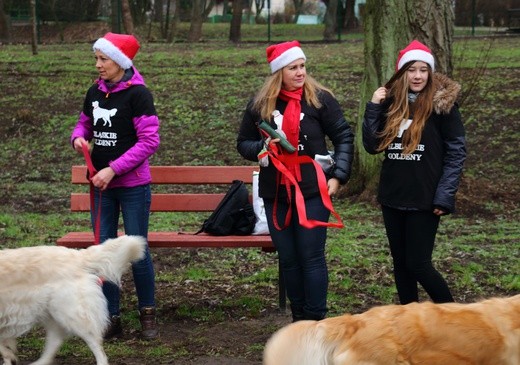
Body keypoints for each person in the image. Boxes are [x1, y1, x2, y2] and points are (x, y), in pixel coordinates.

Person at [237, 41, 354, 321]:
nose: (300, 72)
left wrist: (338, 176)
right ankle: (299, 321)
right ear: (279, 72)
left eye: (302, 66)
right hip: (276, 193)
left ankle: (315, 322)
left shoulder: (320, 99)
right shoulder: (260, 105)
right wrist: (261, 150)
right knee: (289, 259)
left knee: (311, 257)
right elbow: (243, 143)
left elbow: (343, 137)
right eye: (293, 68)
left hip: (312, 192)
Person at [362, 40, 466, 304]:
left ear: (430, 73)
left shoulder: (443, 107)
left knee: (418, 263)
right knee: (400, 263)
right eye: (411, 70)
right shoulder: (391, 103)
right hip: (393, 195)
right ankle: (410, 320)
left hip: (426, 199)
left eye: (423, 70)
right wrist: (374, 106)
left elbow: (456, 153)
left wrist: (444, 196)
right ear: (402, 73)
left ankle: (454, 318)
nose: (417, 75)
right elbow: (372, 145)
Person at [70, 32, 160, 340]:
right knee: (103, 252)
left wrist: (113, 169)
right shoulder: (95, 92)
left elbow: (150, 141)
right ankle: (110, 317)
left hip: (132, 186)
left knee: (137, 250)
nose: (97, 65)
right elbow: (84, 122)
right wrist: (78, 137)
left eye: (103, 59)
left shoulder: (138, 95)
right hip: (100, 186)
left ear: (120, 62)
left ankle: (148, 314)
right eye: (96, 58)